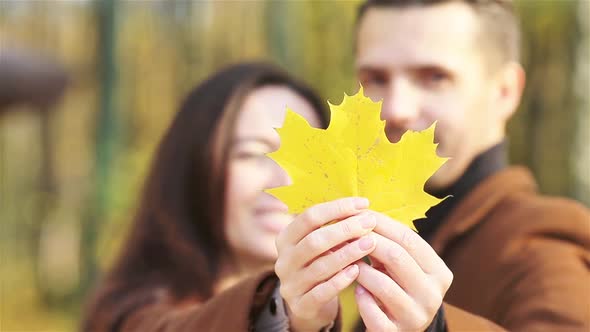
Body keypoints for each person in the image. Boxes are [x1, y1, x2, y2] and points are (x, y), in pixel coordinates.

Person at [351, 0, 590, 331]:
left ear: (505, 92)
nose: (396, 109)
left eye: (435, 77)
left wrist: (438, 327)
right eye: (375, 78)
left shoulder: (541, 244)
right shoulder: (359, 230)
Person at [81, 62, 331, 331]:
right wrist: (283, 313)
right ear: (194, 168)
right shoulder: (130, 316)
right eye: (253, 154)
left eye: (307, 159)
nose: (284, 180)